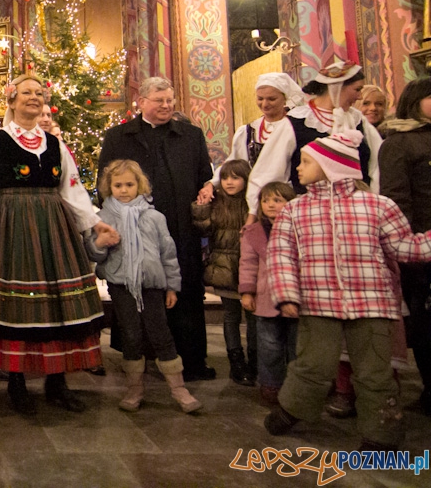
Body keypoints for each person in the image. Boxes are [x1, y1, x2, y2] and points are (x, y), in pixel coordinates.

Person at [0, 75, 119, 414]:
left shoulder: (55, 144)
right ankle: (16, 383)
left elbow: (71, 188)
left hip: (54, 226)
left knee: (57, 305)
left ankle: (57, 383)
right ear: (12, 100)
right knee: (20, 304)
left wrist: (93, 221)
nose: (34, 97)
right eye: (26, 93)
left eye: (39, 93)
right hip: (14, 225)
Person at [264, 131, 431, 451]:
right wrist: (286, 294)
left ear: (332, 166)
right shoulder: (294, 210)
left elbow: (403, 246)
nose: (298, 167)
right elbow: (281, 255)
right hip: (318, 302)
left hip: (372, 303)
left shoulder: (378, 205)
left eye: (306, 162)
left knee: (375, 372)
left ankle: (381, 433)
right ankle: (292, 408)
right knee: (312, 365)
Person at [97, 77, 217, 381]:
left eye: (170, 100)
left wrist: (207, 188)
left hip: (181, 229)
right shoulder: (118, 137)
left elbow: (204, 175)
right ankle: (141, 358)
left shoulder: (191, 135)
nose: (166, 106)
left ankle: (190, 359)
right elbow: (105, 185)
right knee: (140, 293)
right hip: (135, 232)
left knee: (184, 291)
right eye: (159, 100)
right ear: (142, 102)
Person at [87, 160, 200, 413]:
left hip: (151, 285)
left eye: (129, 184)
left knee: (160, 333)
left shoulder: (154, 217)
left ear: (140, 185)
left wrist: (172, 286)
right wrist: (100, 243)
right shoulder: (102, 218)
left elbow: (168, 254)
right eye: (118, 185)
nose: (123, 190)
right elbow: (94, 254)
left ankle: (179, 389)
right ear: (109, 187)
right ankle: (134, 389)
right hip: (122, 284)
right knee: (131, 335)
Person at [246, 60, 381, 216]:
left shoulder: (357, 120)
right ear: (337, 87)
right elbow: (268, 171)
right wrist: (254, 212)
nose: (359, 96)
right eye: (357, 89)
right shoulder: (296, 122)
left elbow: (377, 166)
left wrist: (374, 203)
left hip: (357, 210)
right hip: (310, 212)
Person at [378, 77, 431, 416]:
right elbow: (397, 199)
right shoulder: (399, 143)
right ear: (414, 101)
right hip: (423, 246)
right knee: (426, 320)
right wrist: (410, 247)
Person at [192, 160, 256, 386]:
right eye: (226, 177)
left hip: (250, 266)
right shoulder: (218, 202)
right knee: (230, 315)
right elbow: (204, 228)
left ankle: (255, 359)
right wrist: (201, 209)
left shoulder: (252, 203)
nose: (229, 182)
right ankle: (236, 361)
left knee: (253, 316)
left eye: (235, 177)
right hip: (224, 266)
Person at [197, 73, 304, 205]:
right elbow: (234, 162)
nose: (265, 104)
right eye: (260, 98)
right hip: (255, 199)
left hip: (287, 199)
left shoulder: (295, 129)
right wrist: (212, 184)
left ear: (285, 98)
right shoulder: (248, 131)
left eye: (271, 99)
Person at [239, 181, 298, 407]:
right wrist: (247, 292)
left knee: (296, 345)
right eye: (265, 200)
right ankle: (271, 383)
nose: (270, 205)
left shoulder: (300, 227)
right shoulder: (253, 232)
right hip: (266, 297)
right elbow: (248, 264)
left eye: (277, 200)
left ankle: (296, 385)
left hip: (296, 297)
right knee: (269, 345)